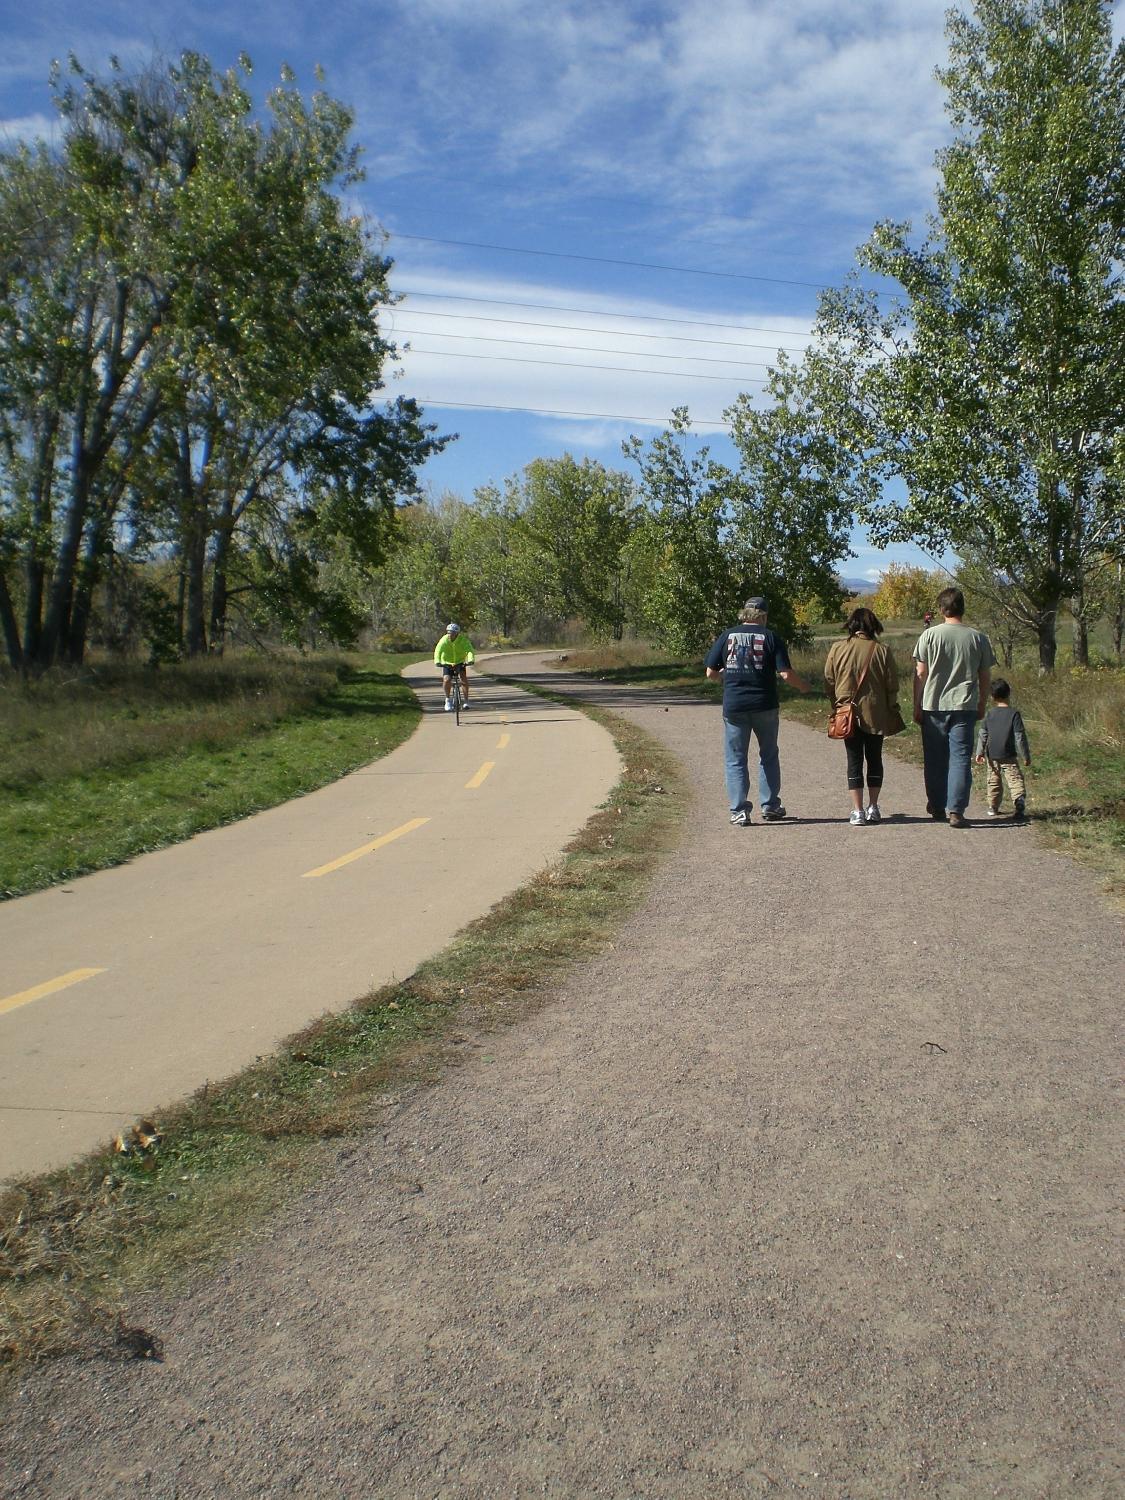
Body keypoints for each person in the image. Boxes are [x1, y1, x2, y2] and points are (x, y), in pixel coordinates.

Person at [704, 596, 811, 826]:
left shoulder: (727, 635)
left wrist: (726, 676)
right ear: (763, 616)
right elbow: (786, 674)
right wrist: (804, 687)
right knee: (768, 755)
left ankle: (739, 810)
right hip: (765, 705)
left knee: (736, 759)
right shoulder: (770, 637)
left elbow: (710, 673)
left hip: (734, 706)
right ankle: (771, 805)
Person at [912, 587, 996, 827]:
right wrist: (981, 703)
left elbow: (920, 674)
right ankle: (956, 810)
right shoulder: (977, 638)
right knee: (960, 758)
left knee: (935, 759)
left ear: (941, 609)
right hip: (964, 705)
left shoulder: (929, 636)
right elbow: (985, 676)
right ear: (963, 608)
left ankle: (937, 804)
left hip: (934, 704)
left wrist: (917, 704)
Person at [824, 607, 904, 826]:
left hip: (846, 713)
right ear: (873, 626)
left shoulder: (837, 648)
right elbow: (892, 684)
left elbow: (829, 681)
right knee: (875, 759)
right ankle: (874, 807)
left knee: (854, 760)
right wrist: (891, 707)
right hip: (876, 713)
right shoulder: (882, 650)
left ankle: (857, 810)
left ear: (852, 625)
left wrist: (836, 705)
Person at [974, 678, 1032, 818]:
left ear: (992, 697)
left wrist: (979, 752)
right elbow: (1019, 736)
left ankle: (993, 806)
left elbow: (983, 734)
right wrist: (1025, 755)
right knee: (1014, 778)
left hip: (992, 754)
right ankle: (1019, 801)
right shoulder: (1014, 714)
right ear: (1009, 693)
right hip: (1008, 754)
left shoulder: (990, 714)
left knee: (993, 780)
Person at [434, 622, 475, 711]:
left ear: (457, 634)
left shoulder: (463, 640)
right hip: (447, 662)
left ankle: (466, 701)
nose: (449, 634)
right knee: (446, 679)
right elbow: (438, 651)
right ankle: (448, 700)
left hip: (459, 662)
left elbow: (469, 650)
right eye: (448, 632)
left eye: (452, 633)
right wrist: (437, 661)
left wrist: (470, 660)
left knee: (463, 679)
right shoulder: (444, 640)